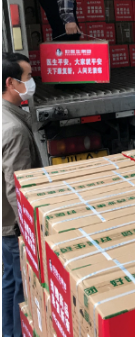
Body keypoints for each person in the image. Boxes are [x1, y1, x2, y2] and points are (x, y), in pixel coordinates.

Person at [2, 53, 42, 337]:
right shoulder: (14, 129)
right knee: (21, 288)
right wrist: (28, 231)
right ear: (11, 83)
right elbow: (17, 188)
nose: (31, 82)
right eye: (27, 77)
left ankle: (6, 330)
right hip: (12, 225)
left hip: (3, 222)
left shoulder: (5, 114)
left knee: (8, 281)